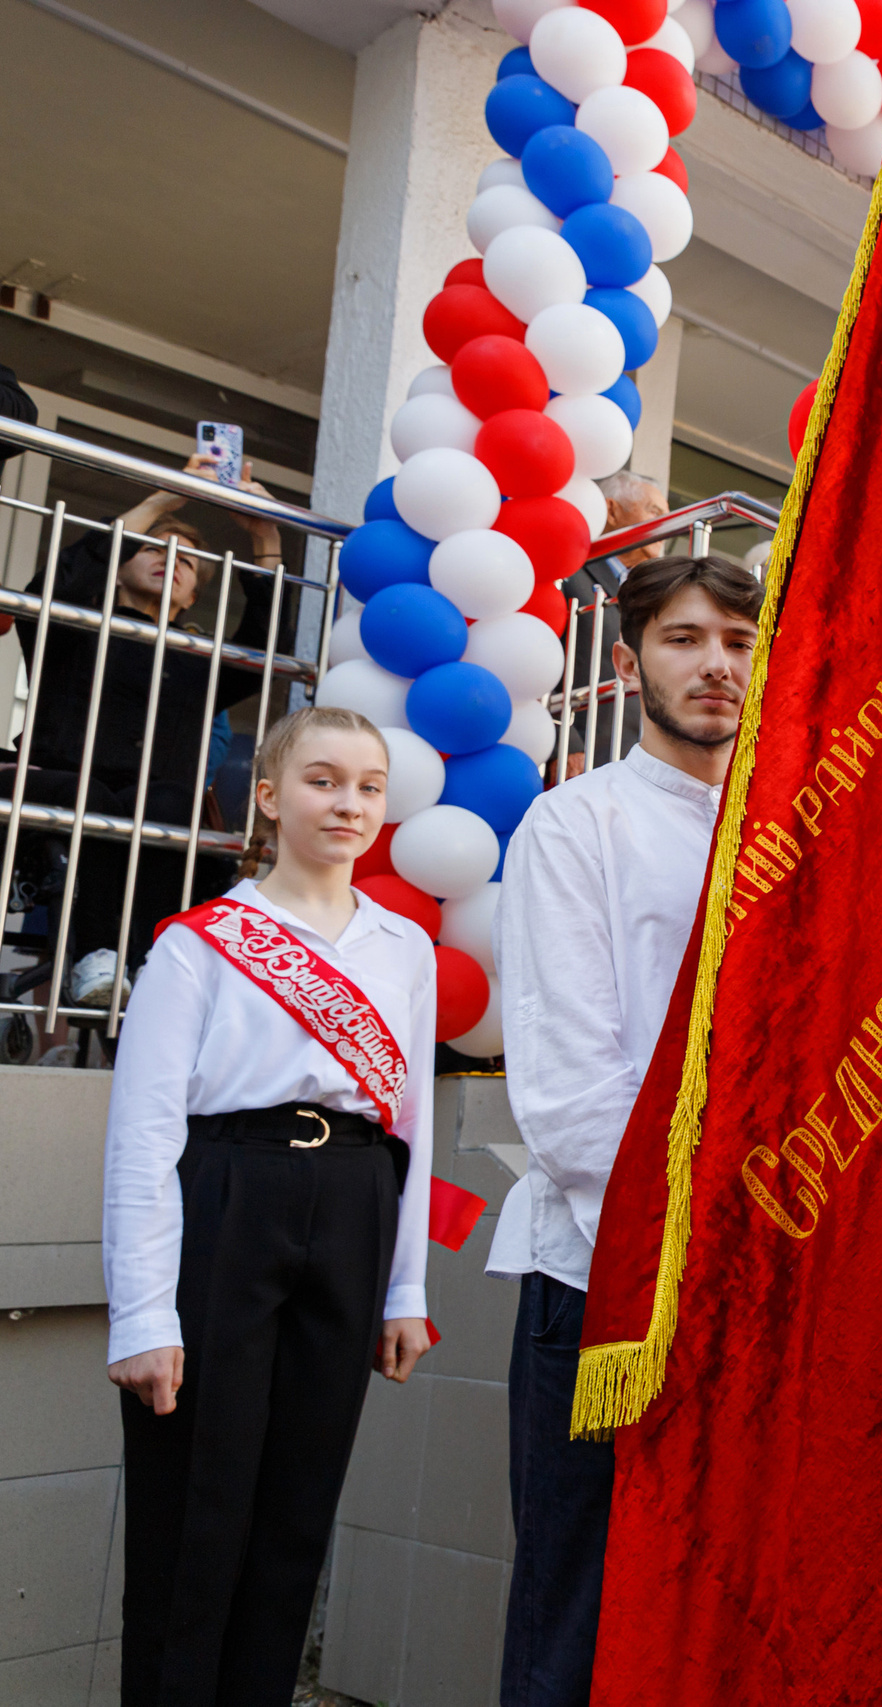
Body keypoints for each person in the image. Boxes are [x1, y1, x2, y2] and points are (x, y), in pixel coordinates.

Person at [102, 705, 435, 1706]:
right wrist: (142, 1311)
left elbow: (409, 1124)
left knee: (298, 1510)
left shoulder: (403, 946)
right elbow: (144, 1134)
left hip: (355, 1199)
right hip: (231, 1192)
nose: (348, 804)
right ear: (270, 796)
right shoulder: (203, 944)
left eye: (369, 786)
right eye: (323, 780)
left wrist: (404, 1287)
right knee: (193, 1510)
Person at [488, 556, 761, 1707]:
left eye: (741, 644)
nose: (716, 667)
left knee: (730, 1602)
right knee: (581, 1601)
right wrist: (698, 1236)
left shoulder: (793, 836)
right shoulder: (573, 824)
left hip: (768, 1272)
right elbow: (566, 1089)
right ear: (627, 660)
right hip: (612, 1277)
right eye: (686, 640)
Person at [11, 453, 291, 993]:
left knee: (167, 804)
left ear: (192, 597)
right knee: (96, 796)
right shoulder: (73, 622)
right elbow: (58, 581)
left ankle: (149, 966)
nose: (171, 558)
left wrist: (266, 535)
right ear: (117, 568)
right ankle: (97, 957)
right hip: (54, 787)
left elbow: (268, 638)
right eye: (152, 548)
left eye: (187, 562)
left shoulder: (197, 658)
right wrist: (164, 498)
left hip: (155, 805)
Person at [556, 472, 670, 775]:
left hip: (639, 764)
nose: (667, 527)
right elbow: (541, 661)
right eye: (655, 512)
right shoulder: (569, 574)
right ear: (612, 510)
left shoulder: (654, 595)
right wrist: (563, 744)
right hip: (583, 758)